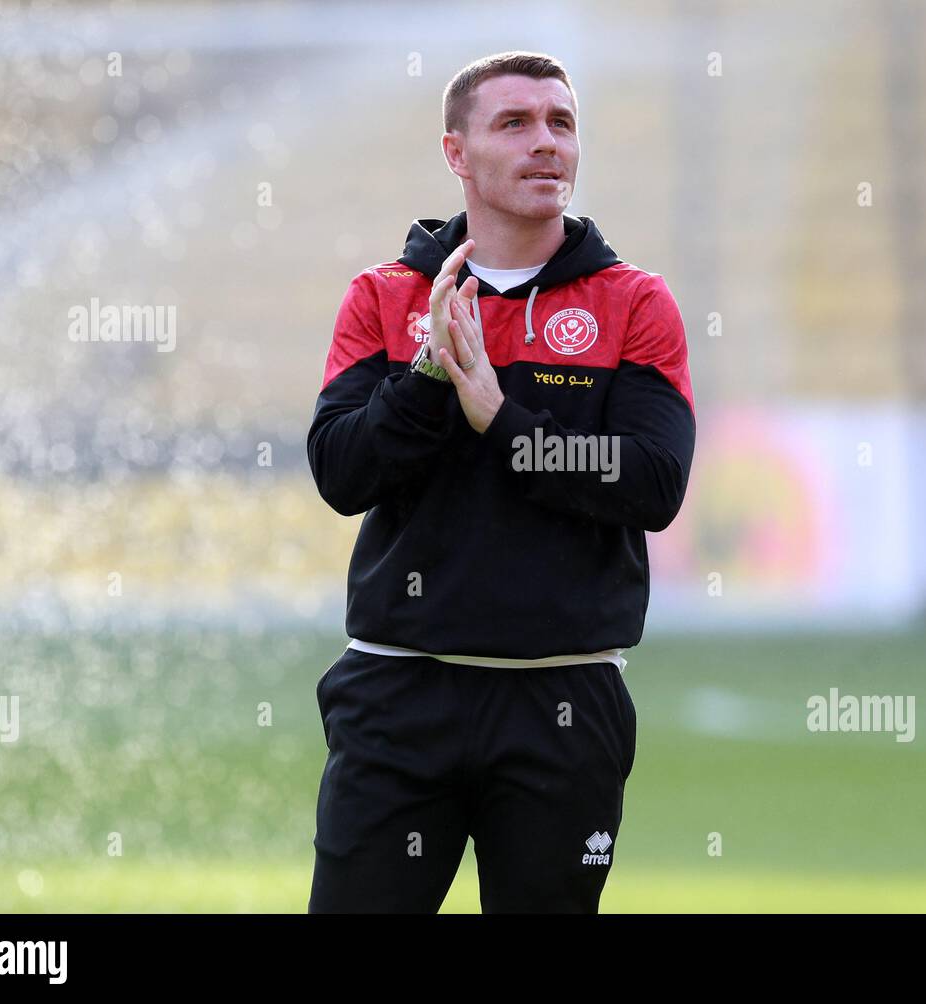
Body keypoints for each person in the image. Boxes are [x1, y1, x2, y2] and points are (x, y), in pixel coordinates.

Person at [306, 50, 696, 913]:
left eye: (561, 123)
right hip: (398, 690)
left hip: (565, 699)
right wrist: (428, 378)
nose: (544, 142)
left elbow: (655, 484)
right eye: (514, 124)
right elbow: (341, 472)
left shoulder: (635, 303)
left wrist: (505, 425)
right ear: (457, 153)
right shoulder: (386, 295)